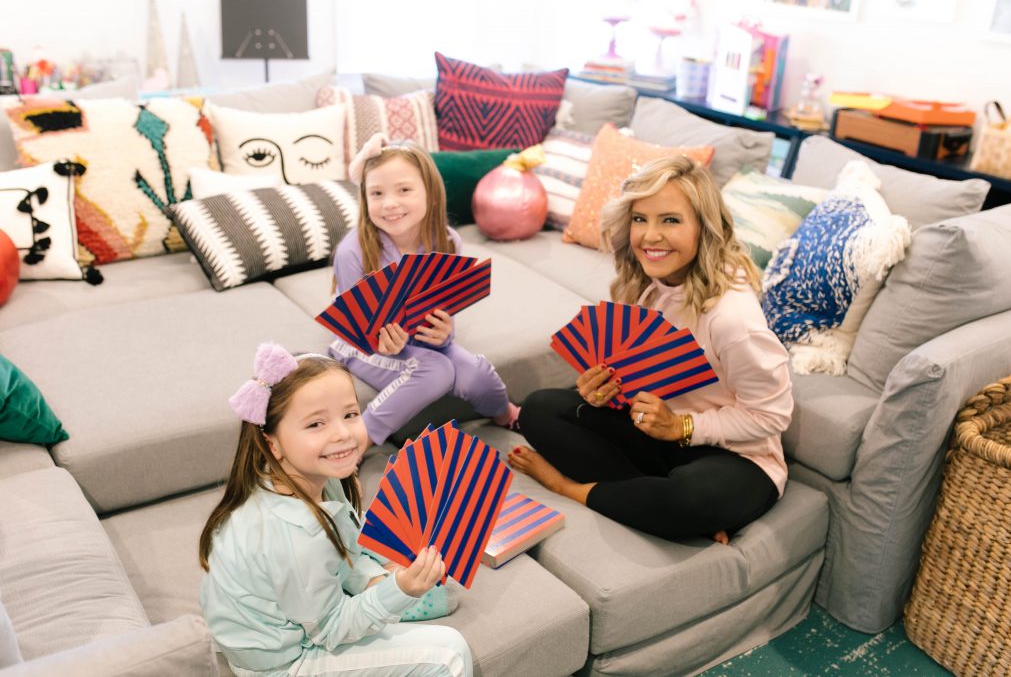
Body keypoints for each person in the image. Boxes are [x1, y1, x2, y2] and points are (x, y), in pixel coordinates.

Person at [509, 156, 792, 544]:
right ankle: (652, 501)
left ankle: (570, 488)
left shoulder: (732, 318)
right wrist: (602, 393)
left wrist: (682, 427)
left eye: (670, 220)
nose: (649, 236)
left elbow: (771, 416)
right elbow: (643, 385)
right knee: (540, 409)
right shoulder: (647, 285)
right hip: (657, 436)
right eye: (640, 219)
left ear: (704, 228)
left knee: (690, 499)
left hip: (734, 455)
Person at [199, 342, 472, 677]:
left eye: (350, 414)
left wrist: (380, 576)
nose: (343, 434)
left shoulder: (311, 474)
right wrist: (399, 589)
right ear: (272, 442)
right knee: (450, 653)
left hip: (299, 609)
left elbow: (345, 540)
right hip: (284, 663)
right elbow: (330, 629)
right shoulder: (292, 535)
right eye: (316, 424)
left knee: (439, 589)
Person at [330, 134, 519, 446]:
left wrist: (445, 333)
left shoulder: (447, 242)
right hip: (361, 345)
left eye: (404, 190)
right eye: (376, 193)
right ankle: (359, 438)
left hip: (419, 338)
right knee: (436, 370)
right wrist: (383, 345)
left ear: (431, 194)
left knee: (477, 375)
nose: (389, 203)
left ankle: (506, 415)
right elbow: (356, 331)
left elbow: (444, 309)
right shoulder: (353, 253)